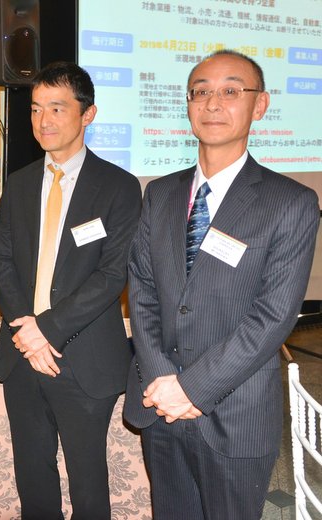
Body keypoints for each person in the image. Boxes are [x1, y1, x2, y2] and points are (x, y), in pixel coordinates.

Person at [123, 50, 320, 520]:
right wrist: (163, 379)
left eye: (231, 91)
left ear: (260, 105)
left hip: (235, 411)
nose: (213, 103)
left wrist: (191, 389)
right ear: (189, 104)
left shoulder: (290, 202)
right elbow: (143, 290)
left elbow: (273, 317)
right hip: (159, 402)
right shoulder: (160, 193)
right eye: (201, 92)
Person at [0, 62, 142, 519]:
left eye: (57, 108)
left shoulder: (117, 186)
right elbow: (2, 260)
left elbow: (112, 274)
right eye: (36, 109)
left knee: (87, 482)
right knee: (32, 474)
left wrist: (46, 331)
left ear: (87, 114)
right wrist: (27, 333)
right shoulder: (19, 184)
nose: (43, 120)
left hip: (83, 356)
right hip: (22, 354)